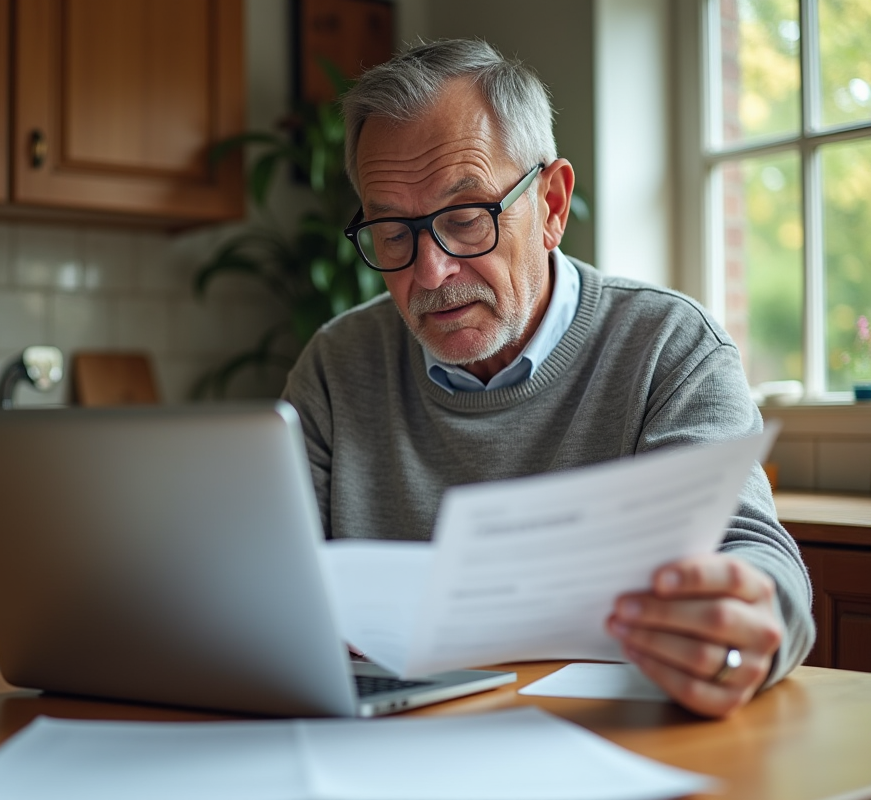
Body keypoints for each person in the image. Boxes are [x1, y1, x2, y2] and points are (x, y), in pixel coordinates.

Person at [281, 39, 814, 718]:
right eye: (392, 231)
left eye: (466, 217)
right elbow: (269, 579)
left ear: (554, 205)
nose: (429, 273)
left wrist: (745, 631)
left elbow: (755, 558)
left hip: (609, 737)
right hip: (392, 746)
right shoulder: (337, 365)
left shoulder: (668, 347)